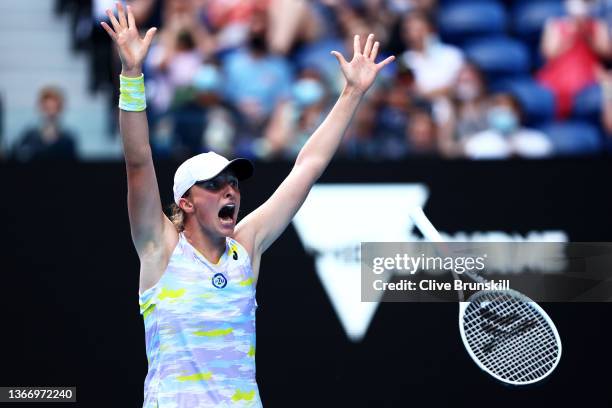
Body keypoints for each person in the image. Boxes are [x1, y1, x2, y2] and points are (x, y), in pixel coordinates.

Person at [100, 3, 394, 407]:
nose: (230, 192)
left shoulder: (246, 246)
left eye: (233, 184)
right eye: (215, 186)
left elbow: (307, 167)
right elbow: (137, 161)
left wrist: (351, 93)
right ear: (184, 202)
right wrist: (132, 74)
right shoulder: (159, 249)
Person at [537, 0, 610, 118]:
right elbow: (548, 54)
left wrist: (587, 35)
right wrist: (570, 36)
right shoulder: (555, 24)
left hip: (589, 75)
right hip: (558, 73)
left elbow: (606, 52)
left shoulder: (598, 25)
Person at [12, 86, 77, 162]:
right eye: (47, 108)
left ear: (60, 109)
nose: (50, 113)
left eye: (54, 108)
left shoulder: (68, 139)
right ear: (40, 108)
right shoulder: (29, 136)